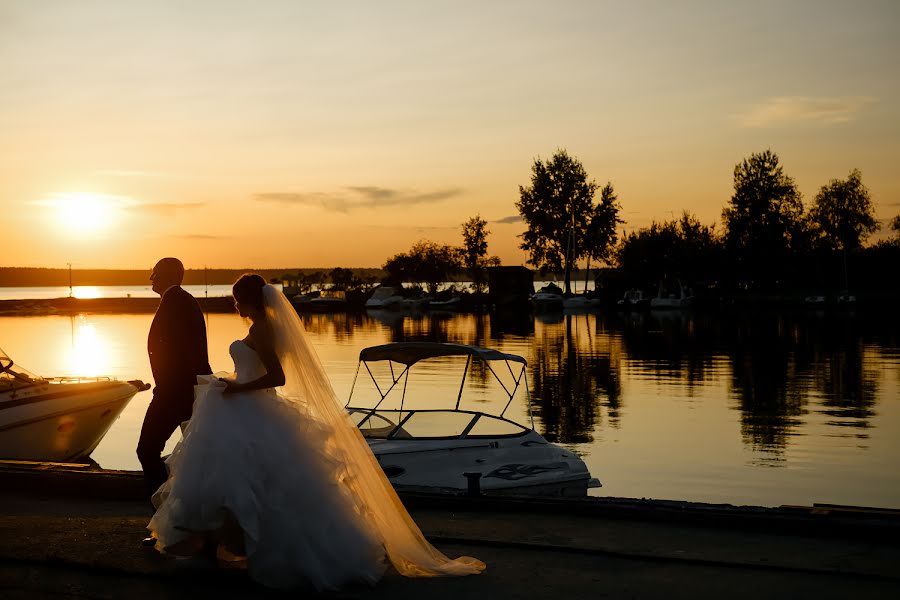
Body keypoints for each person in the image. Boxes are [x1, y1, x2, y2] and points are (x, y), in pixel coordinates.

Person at [147, 274, 484, 590]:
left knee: (251, 483)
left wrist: (237, 389)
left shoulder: (264, 330)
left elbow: (277, 378)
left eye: (237, 300)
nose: (235, 307)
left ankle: (256, 550)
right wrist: (233, 385)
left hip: (252, 409)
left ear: (249, 301)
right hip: (239, 408)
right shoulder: (259, 328)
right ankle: (213, 548)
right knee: (224, 481)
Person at [137, 258, 212, 500]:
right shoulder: (178, 301)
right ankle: (183, 516)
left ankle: (165, 514)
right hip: (181, 392)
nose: (151, 278)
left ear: (168, 275)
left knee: (147, 450)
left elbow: (189, 352)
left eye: (154, 273)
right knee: (196, 455)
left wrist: (171, 390)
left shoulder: (177, 302)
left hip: (174, 394)